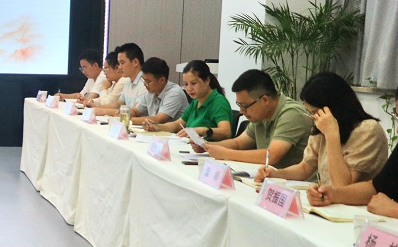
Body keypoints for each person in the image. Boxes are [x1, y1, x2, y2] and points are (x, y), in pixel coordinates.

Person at [255, 72, 387, 187]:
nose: (314, 118)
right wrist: (276, 174)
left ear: (335, 107)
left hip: (356, 206)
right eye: (310, 113)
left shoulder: (368, 130)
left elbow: (342, 185)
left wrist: (331, 135)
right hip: (329, 200)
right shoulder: (320, 128)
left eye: (316, 112)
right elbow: (304, 168)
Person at [201, 69, 311, 168]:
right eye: (239, 105)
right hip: (271, 178)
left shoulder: (292, 114)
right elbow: (238, 143)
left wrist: (225, 153)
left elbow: (271, 156)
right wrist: (208, 146)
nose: (241, 111)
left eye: (244, 105)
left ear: (265, 100)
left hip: (297, 183)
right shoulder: (261, 115)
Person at [143, 60, 233, 141]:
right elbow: (177, 125)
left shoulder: (218, 102)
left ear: (207, 80)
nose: (189, 89)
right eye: (186, 84)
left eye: (193, 83)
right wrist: (157, 127)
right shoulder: (196, 101)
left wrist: (201, 130)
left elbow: (226, 132)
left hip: (210, 151)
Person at [130, 57, 188, 125]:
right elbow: (135, 111)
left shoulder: (174, 93)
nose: (145, 84)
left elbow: (158, 120)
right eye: (144, 80)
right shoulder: (151, 92)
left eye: (148, 81)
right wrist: (126, 115)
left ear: (162, 80)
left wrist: (128, 120)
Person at [93, 43, 147, 115]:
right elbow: (118, 104)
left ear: (135, 62)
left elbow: (134, 112)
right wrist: (96, 108)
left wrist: (104, 111)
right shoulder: (128, 82)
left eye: (122, 63)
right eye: (119, 63)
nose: (119, 67)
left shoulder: (145, 83)